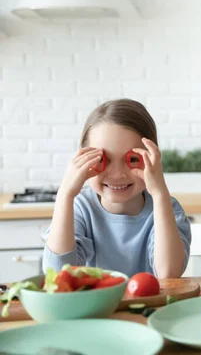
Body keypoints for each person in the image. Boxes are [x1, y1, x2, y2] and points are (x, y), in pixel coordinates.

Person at [43, 99, 192, 278]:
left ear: (153, 159)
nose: (117, 174)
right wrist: (65, 195)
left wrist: (160, 194)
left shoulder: (167, 208)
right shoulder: (80, 208)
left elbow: (168, 274)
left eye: (132, 159)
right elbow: (58, 275)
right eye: (102, 159)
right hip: (94, 307)